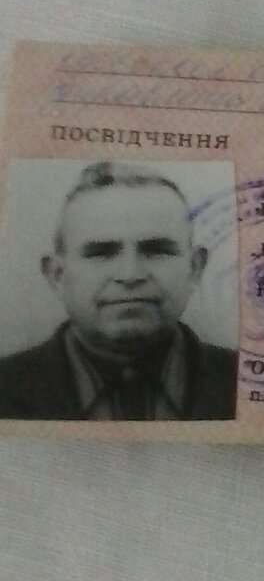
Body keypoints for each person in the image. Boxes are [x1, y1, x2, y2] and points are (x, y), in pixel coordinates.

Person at [0, 161, 238, 421]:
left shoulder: (243, 382)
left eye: (157, 250)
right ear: (58, 275)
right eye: (100, 253)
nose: (130, 275)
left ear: (194, 268)